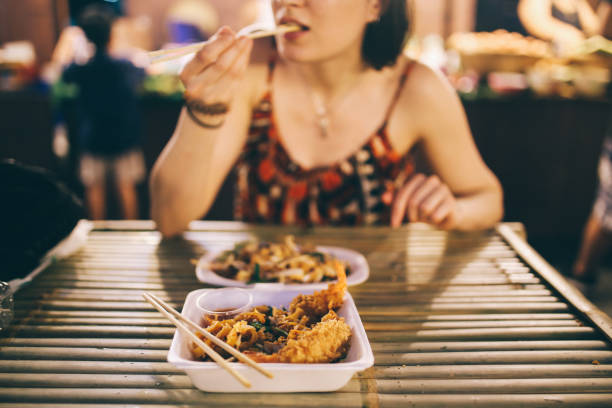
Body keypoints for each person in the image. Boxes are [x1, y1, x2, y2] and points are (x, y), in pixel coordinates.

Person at [150, 0, 504, 237]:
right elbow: (169, 219)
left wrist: (453, 211)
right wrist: (204, 108)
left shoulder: (415, 88)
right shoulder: (252, 69)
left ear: (375, 5)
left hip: (376, 317)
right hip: (261, 316)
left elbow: (487, 199)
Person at [62, 4, 146, 220]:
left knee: (94, 188)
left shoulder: (80, 69)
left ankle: (97, 233)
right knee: (125, 187)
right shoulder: (125, 66)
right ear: (111, 34)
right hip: (123, 138)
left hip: (93, 137)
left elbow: (64, 72)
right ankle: (132, 234)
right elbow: (143, 72)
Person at [518, 0, 608, 48]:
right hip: (543, 60)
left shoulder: (578, 2)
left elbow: (593, 28)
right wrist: (570, 34)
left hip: (571, 62)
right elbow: (536, 22)